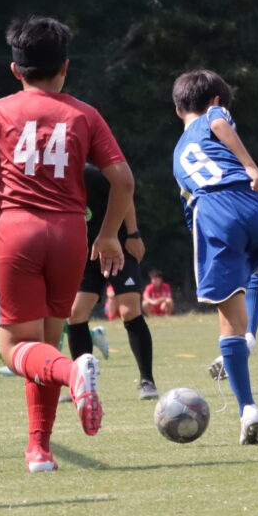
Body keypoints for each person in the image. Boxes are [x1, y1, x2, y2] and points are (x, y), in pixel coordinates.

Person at [0, 16, 134, 473]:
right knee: (43, 345)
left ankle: (74, 372)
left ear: (14, 69)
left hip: (18, 232)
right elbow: (123, 180)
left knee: (14, 350)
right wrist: (109, 234)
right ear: (65, 67)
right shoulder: (85, 114)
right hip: (70, 234)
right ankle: (39, 449)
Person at [172, 68, 258, 445]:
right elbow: (221, 123)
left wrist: (250, 165)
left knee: (227, 319)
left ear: (178, 109)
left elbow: (217, 123)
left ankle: (247, 408)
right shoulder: (216, 114)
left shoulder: (180, 151)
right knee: (256, 265)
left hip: (215, 208)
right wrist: (250, 169)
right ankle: (251, 335)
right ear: (217, 99)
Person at [66, 161, 159, 400]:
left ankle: (147, 381)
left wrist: (133, 234)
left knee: (129, 310)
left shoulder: (89, 173)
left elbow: (124, 192)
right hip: (86, 252)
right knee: (75, 313)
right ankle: (82, 384)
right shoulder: (52, 180)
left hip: (117, 246)